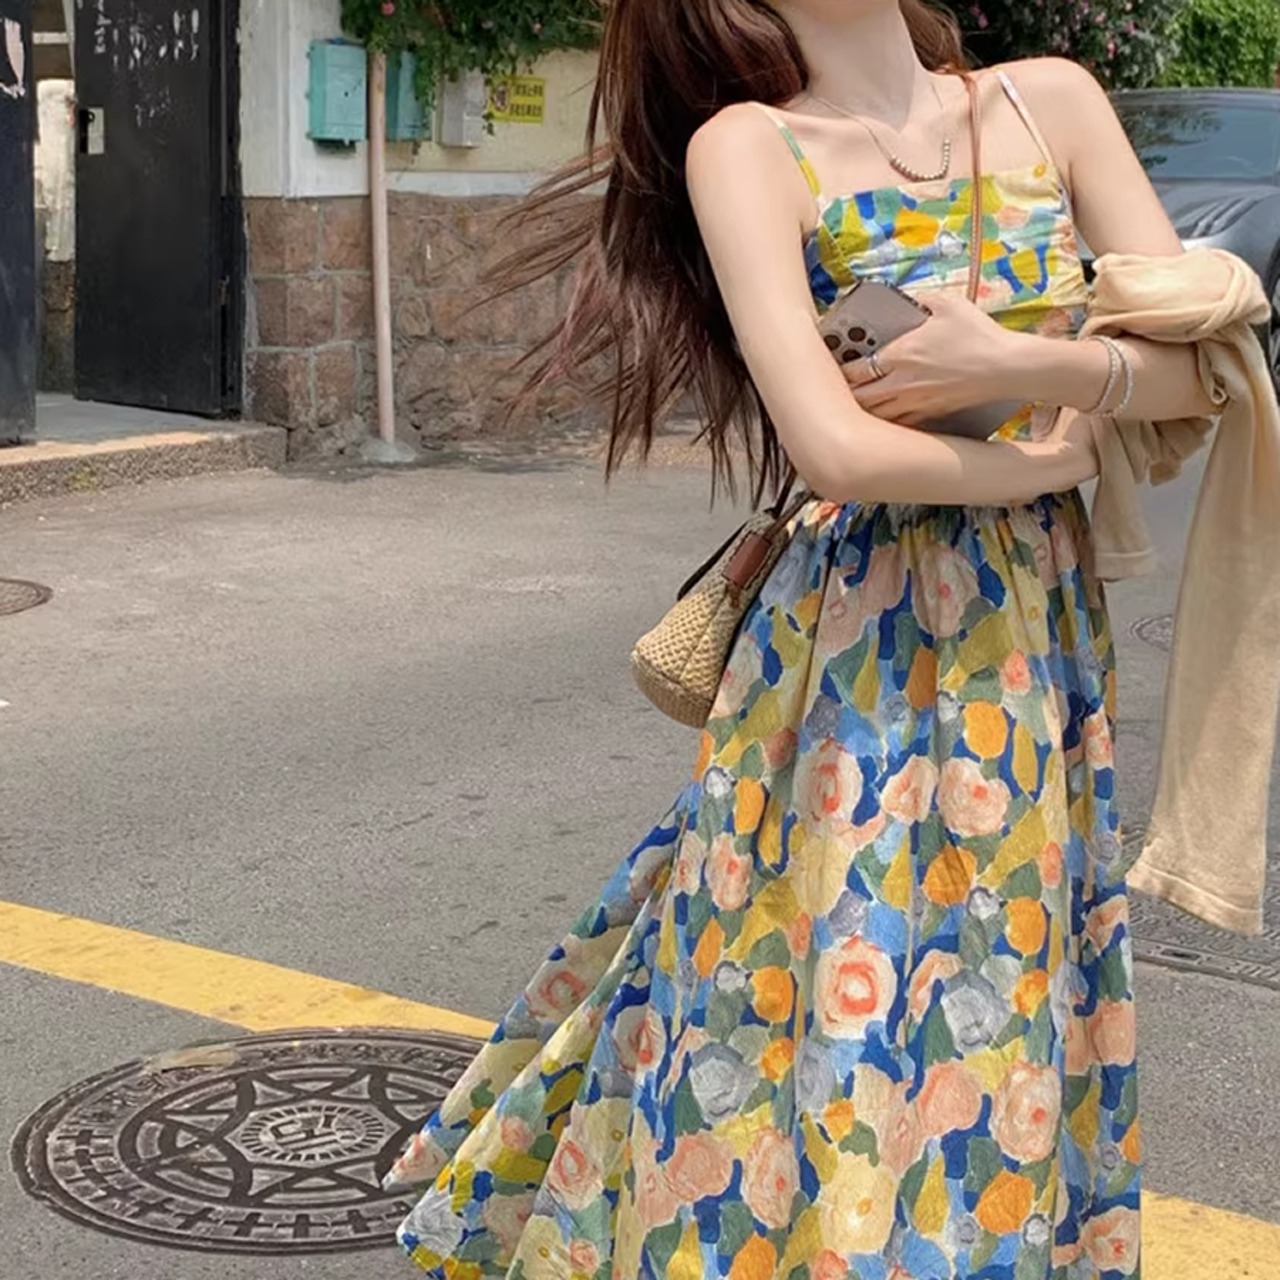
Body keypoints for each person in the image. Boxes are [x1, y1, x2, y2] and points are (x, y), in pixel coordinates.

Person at [385, 2, 1224, 1277]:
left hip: (1028, 647)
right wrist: (1039, 464)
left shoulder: (1046, 101)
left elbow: (1193, 369)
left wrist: (1006, 365)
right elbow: (831, 448)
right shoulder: (746, 146)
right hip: (848, 638)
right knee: (814, 977)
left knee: (997, 983)